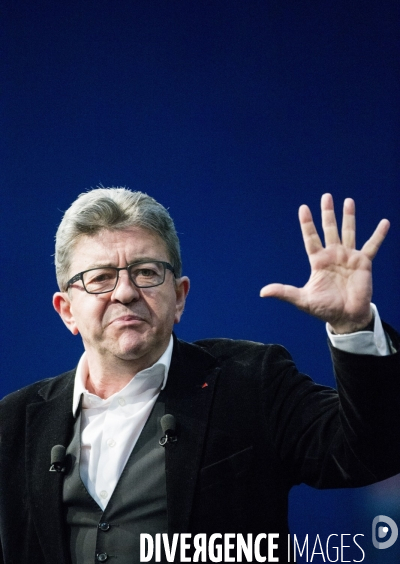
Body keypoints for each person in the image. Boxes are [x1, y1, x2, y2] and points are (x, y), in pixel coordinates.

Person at [0, 187, 399, 564]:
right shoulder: (15, 423)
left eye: (146, 271)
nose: (124, 292)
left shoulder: (250, 382)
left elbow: (370, 452)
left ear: (180, 296)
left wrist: (355, 327)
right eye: (101, 277)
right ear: (66, 310)